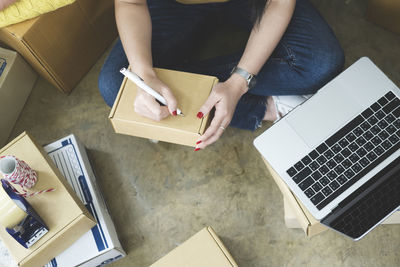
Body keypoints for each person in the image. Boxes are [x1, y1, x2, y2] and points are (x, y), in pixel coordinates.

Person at [98, 0, 344, 150]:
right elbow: (131, 3)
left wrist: (239, 81)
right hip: (170, 5)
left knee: (321, 62)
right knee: (115, 87)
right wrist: (144, 75)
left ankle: (197, 94)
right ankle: (265, 106)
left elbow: (279, 2)